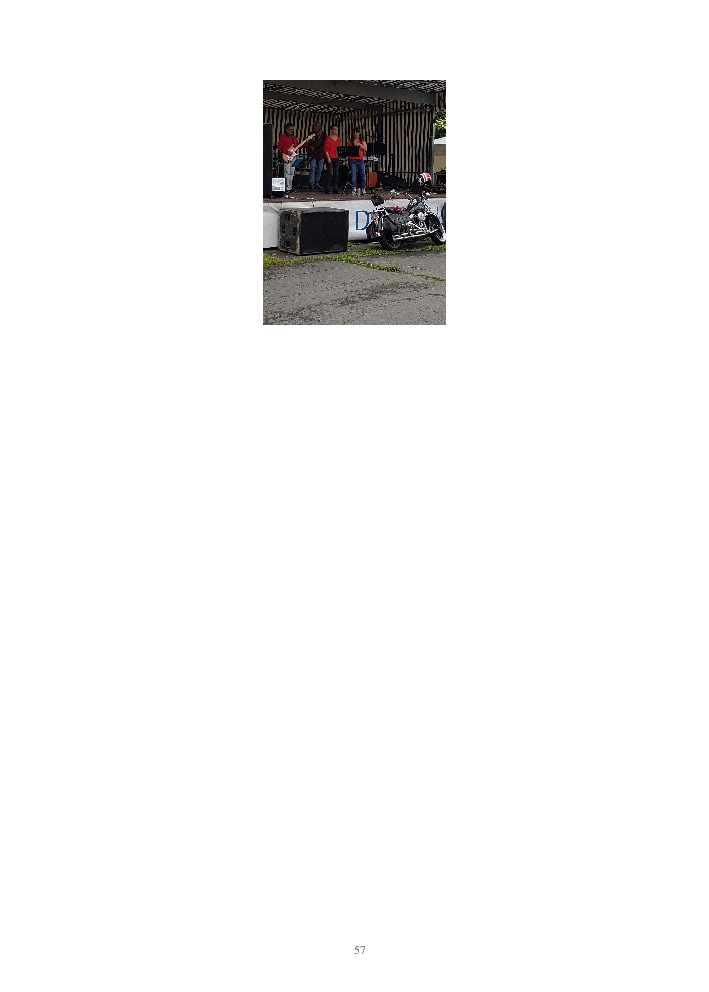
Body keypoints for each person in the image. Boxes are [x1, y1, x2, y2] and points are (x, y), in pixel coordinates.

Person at [277, 122, 299, 196]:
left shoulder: (294, 137)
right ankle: (287, 188)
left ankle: (290, 187)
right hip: (286, 156)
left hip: (293, 156)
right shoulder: (283, 136)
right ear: (286, 129)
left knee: (292, 173)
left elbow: (297, 145)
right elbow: (279, 147)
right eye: (290, 129)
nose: (291, 131)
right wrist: (287, 152)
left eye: (292, 130)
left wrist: (306, 142)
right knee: (287, 173)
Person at [305, 121, 326, 192]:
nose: (314, 127)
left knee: (319, 169)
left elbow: (325, 144)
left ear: (319, 126)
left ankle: (317, 183)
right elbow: (306, 143)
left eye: (316, 126)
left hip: (321, 154)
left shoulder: (323, 135)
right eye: (313, 126)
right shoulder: (311, 134)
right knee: (312, 169)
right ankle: (311, 183)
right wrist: (310, 147)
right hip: (313, 154)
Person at [348, 129, 368, 196]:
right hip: (352, 160)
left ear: (359, 133)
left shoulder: (362, 141)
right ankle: (354, 188)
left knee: (363, 174)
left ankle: (363, 188)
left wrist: (359, 145)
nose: (355, 134)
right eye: (354, 132)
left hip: (360, 160)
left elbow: (366, 148)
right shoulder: (350, 141)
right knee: (353, 175)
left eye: (357, 132)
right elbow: (348, 151)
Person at [322, 124, 341, 194]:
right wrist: (328, 157)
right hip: (329, 157)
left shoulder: (338, 139)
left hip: (336, 157)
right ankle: (326, 188)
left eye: (337, 130)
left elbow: (338, 148)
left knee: (336, 173)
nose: (336, 131)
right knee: (330, 173)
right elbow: (326, 148)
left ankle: (335, 188)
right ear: (331, 131)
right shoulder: (328, 138)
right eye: (334, 129)